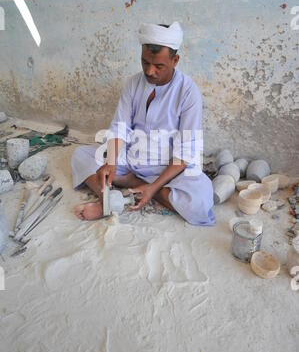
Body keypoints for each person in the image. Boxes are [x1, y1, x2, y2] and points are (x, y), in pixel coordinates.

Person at [72, 22, 215, 226]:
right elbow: (120, 128)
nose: (149, 71)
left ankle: (134, 185)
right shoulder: (133, 84)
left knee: (200, 201)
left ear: (175, 60)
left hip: (168, 166)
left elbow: (186, 151)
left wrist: (154, 185)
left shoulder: (188, 91)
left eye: (158, 66)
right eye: (145, 62)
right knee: (81, 156)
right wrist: (111, 163)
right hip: (132, 157)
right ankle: (111, 201)